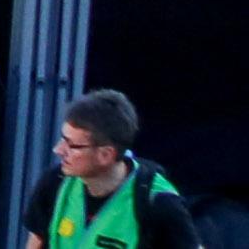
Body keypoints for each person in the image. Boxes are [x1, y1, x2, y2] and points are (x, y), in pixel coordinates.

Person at [19, 93, 190, 249]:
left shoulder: (158, 203)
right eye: (63, 139)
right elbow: (36, 242)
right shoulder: (55, 183)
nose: (58, 150)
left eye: (73, 146)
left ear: (106, 155)